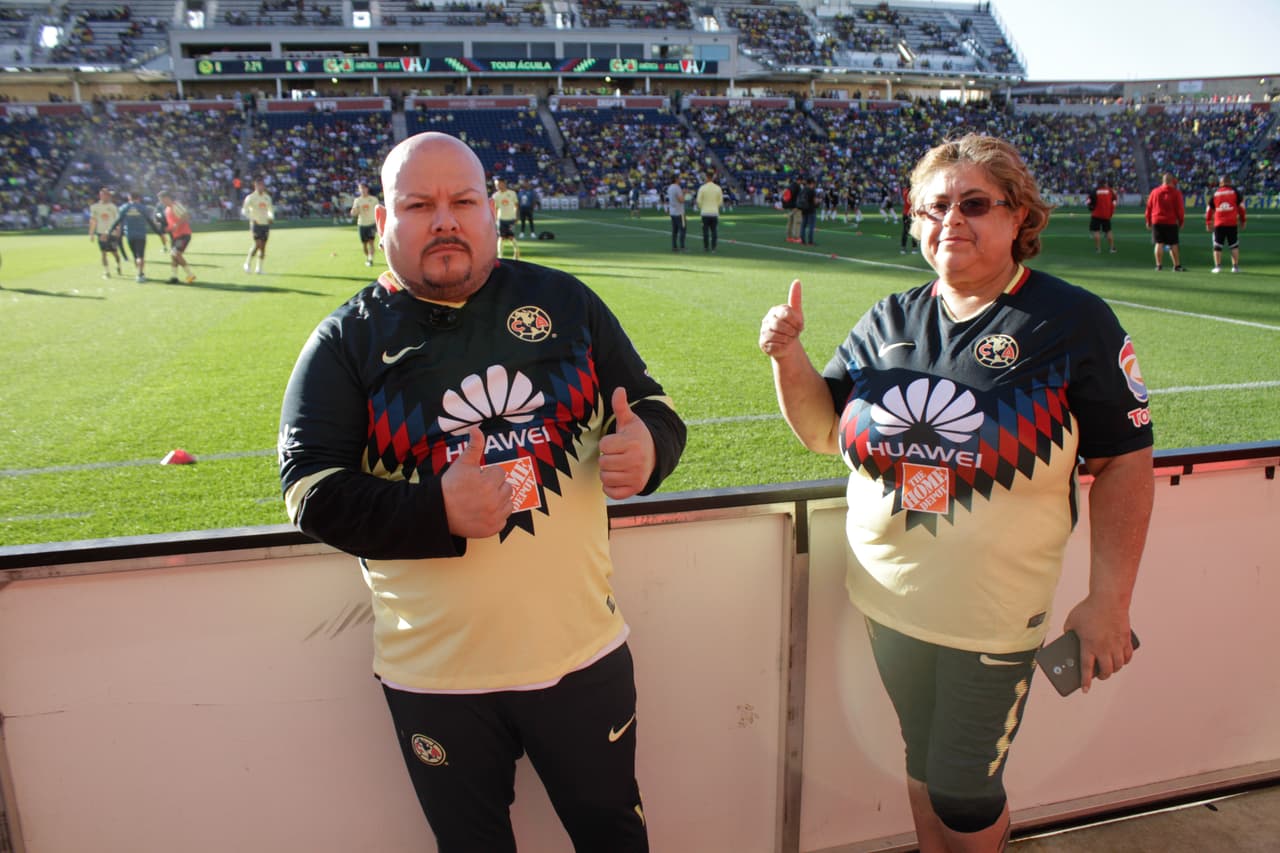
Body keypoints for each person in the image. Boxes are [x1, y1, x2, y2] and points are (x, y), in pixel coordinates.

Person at [277, 131, 686, 853]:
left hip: (580, 657)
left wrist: (651, 446)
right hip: (435, 676)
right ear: (383, 224)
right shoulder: (346, 340)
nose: (444, 219)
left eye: (463, 200)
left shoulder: (563, 300)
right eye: (418, 204)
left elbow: (654, 406)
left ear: (493, 211)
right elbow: (309, 488)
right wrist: (434, 510)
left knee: (615, 836)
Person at [759, 134, 1153, 853]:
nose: (952, 221)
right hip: (886, 600)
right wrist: (789, 358)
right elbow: (821, 429)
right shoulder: (889, 318)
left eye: (975, 204)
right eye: (934, 206)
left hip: (993, 615)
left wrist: (1110, 599)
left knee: (964, 791)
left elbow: (1125, 460)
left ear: (1019, 218)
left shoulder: (1072, 321)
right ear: (914, 219)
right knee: (920, 755)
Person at [110, 190, 167, 283]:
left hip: (130, 235)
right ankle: (140, 274)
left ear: (129, 198)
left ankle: (139, 273)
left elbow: (118, 221)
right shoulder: (143, 208)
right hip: (141, 235)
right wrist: (158, 232)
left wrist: (110, 231)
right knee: (140, 255)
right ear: (139, 198)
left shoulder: (124, 207)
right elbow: (150, 221)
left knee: (135, 255)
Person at [1145, 172, 1186, 271]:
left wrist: (1148, 221)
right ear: (1172, 181)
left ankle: (1159, 265)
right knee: (1173, 244)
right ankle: (1176, 265)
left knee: (1159, 243)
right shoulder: (1176, 193)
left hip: (1157, 220)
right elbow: (1180, 209)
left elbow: (1149, 208)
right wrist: (1181, 221)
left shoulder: (1155, 192)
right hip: (1170, 221)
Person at [1205, 175, 1246, 273]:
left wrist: (1208, 221)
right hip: (1232, 223)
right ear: (1230, 182)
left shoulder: (1216, 193)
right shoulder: (1235, 192)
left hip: (1219, 223)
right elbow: (1242, 207)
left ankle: (1218, 267)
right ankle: (1235, 267)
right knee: (1234, 245)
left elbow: (1209, 209)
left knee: (1217, 245)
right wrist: (1243, 220)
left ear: (1221, 182)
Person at [157, 191, 196, 284]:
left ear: (167, 198)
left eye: (162, 199)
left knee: (176, 253)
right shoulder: (167, 209)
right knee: (173, 256)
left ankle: (190, 275)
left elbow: (186, 216)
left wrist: (176, 225)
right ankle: (174, 277)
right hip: (176, 236)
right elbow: (171, 223)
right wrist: (167, 229)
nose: (161, 202)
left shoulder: (176, 205)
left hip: (183, 235)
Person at [88, 187, 123, 279]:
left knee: (114, 252)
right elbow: (93, 220)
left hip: (112, 233)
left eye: (106, 195)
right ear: (100, 195)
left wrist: (118, 230)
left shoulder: (113, 207)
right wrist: (91, 234)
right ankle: (107, 271)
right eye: (102, 194)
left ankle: (118, 265)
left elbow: (118, 220)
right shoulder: (95, 207)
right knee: (103, 252)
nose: (104, 196)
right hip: (101, 232)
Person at [241, 178, 274, 274]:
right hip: (256, 224)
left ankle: (259, 268)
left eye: (262, 185)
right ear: (255, 186)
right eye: (259, 185)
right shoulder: (250, 197)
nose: (261, 187)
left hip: (265, 224)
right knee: (257, 244)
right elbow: (244, 210)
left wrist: (271, 217)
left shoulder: (267, 197)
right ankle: (247, 263)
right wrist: (252, 218)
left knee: (263, 247)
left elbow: (270, 210)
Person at [349, 182, 380, 266]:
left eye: (363, 188)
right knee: (364, 245)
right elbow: (354, 212)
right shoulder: (357, 200)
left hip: (371, 224)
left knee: (371, 242)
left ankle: (370, 259)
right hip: (362, 224)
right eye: (360, 188)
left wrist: (379, 222)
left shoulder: (374, 199)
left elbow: (378, 211)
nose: (362, 190)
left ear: (367, 189)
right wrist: (353, 212)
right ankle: (368, 257)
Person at [490, 176, 520, 259]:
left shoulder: (512, 193)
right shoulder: (495, 195)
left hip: (511, 218)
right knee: (501, 237)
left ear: (503, 183)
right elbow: (495, 208)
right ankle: (500, 256)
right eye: (496, 184)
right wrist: (495, 219)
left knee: (511, 236)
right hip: (501, 219)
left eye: (498, 184)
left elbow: (516, 205)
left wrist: (517, 217)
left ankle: (516, 252)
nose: (497, 186)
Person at [1087, 178, 1119, 254]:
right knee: (1108, 231)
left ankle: (1098, 249)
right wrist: (1112, 210)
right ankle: (1112, 248)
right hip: (1106, 214)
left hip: (1096, 214)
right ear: (1105, 183)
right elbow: (1114, 200)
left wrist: (1090, 207)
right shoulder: (1110, 191)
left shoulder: (1095, 190)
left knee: (1096, 231)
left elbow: (1089, 201)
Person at [694, 171, 723, 253]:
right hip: (714, 212)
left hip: (705, 212)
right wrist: (716, 207)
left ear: (706, 177)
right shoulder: (718, 188)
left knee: (705, 231)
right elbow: (720, 202)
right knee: (714, 231)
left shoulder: (702, 188)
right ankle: (714, 248)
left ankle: (706, 247)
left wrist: (702, 208)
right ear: (713, 177)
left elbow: (698, 201)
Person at [666, 174, 686, 252]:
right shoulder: (677, 188)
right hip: (679, 212)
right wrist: (684, 193)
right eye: (679, 178)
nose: (680, 179)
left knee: (674, 230)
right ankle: (682, 246)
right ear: (676, 179)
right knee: (682, 229)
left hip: (672, 212)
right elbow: (681, 200)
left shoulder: (670, 187)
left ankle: (674, 246)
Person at [796, 176, 818, 245]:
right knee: (811, 226)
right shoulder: (812, 191)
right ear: (811, 183)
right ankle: (810, 241)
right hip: (811, 210)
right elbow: (815, 202)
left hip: (803, 209)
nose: (815, 185)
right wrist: (818, 202)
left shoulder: (803, 190)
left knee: (803, 225)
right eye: (814, 183)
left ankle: (802, 240)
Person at [899, 180, 918, 254]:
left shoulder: (904, 191)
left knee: (905, 231)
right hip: (912, 213)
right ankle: (914, 248)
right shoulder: (913, 193)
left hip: (905, 213)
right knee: (913, 231)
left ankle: (903, 248)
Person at [782, 176, 801, 243]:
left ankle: (789, 237)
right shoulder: (798, 187)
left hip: (789, 206)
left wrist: (786, 204)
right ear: (800, 180)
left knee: (790, 222)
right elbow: (799, 197)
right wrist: (798, 206)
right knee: (797, 222)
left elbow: (784, 194)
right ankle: (796, 237)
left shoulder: (789, 186)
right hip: (796, 207)